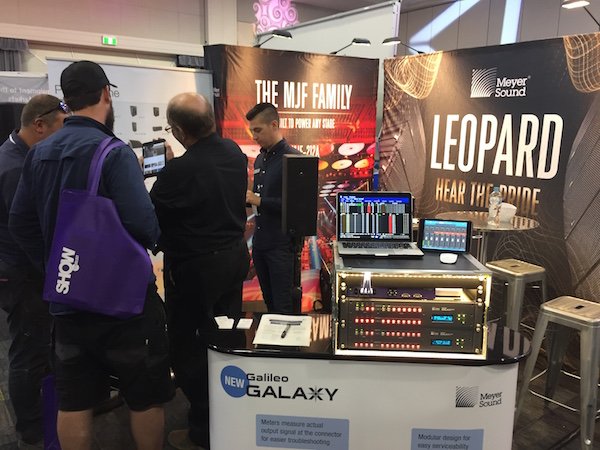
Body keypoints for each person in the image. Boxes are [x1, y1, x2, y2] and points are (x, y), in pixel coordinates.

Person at [8, 61, 174, 450]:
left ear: (66, 100)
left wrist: (54, 266)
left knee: (74, 400)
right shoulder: (114, 152)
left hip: (68, 300)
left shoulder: (38, 153)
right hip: (125, 303)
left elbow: (19, 222)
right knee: (145, 396)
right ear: (105, 94)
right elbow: (143, 224)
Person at [149, 92, 250, 450]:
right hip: (233, 259)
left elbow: (150, 216)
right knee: (226, 336)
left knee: (187, 346)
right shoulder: (234, 153)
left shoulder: (178, 171)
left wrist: (169, 168)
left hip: (196, 268)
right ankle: (231, 416)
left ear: (178, 130)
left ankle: (202, 431)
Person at [0, 94, 69, 448]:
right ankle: (30, 428)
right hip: (21, 273)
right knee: (28, 349)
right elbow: (27, 227)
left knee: (36, 344)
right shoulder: (15, 167)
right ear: (39, 125)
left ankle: (42, 413)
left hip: (21, 269)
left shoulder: (19, 156)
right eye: (61, 128)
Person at [245, 102, 302, 314]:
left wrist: (260, 201)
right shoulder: (260, 159)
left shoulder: (294, 159)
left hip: (282, 246)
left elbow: (297, 206)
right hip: (260, 243)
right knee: (269, 303)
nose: (254, 136)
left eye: (258, 130)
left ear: (274, 125)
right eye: (252, 131)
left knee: (283, 306)